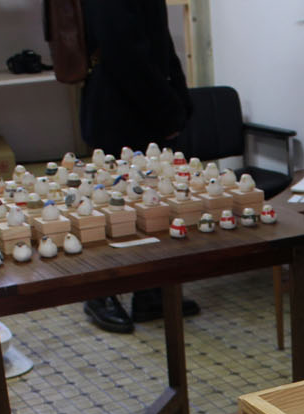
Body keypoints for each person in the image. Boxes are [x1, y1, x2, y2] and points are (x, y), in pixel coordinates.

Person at [78, 0, 199, 333]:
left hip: (143, 109)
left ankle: (150, 292)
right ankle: (101, 294)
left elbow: (158, 39)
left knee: (154, 206)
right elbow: (123, 53)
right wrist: (167, 110)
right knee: (114, 210)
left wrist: (179, 96)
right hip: (118, 112)